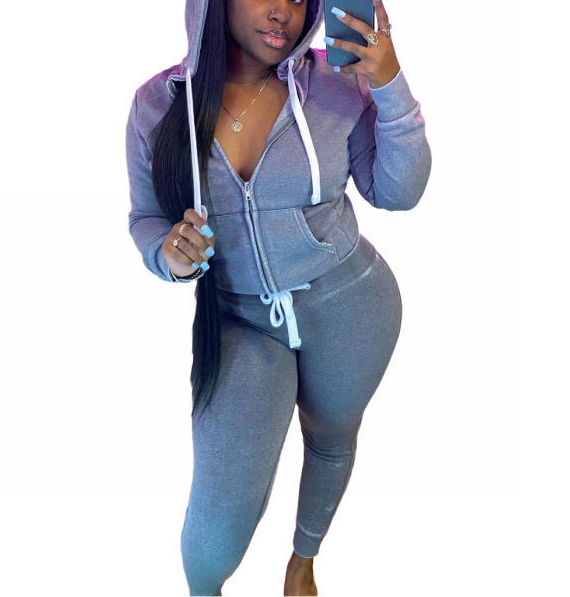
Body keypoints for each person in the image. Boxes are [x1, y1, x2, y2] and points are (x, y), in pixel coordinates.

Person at [126, 0, 431, 594]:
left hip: (352, 305)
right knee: (223, 506)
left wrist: (389, 84)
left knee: (331, 438)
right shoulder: (159, 105)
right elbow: (145, 218)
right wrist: (167, 253)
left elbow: (398, 192)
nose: (283, 12)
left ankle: (302, 560)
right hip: (240, 320)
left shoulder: (336, 86)